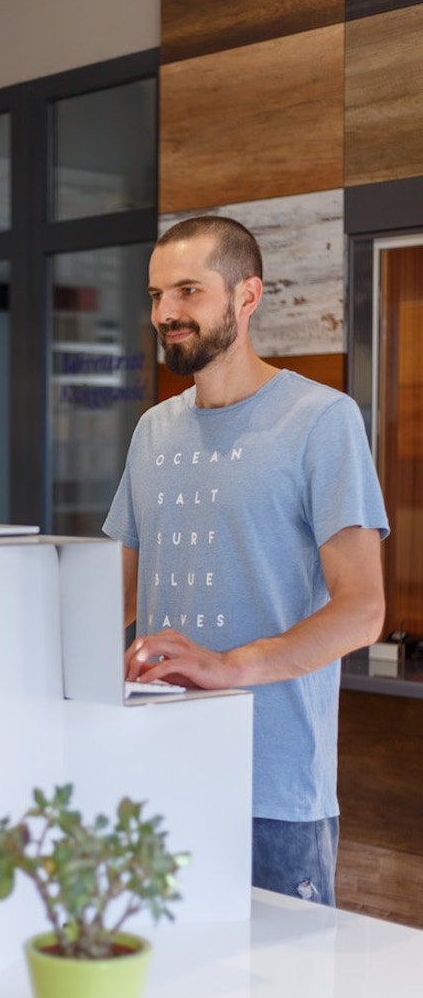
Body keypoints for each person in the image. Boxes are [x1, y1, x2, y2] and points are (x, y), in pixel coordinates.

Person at [103, 215, 389, 906]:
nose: (166, 312)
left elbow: (363, 609)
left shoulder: (322, 420)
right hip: (155, 774)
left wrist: (230, 666)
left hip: (273, 794)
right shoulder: (152, 431)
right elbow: (116, 594)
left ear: (247, 295)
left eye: (189, 291)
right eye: (156, 295)